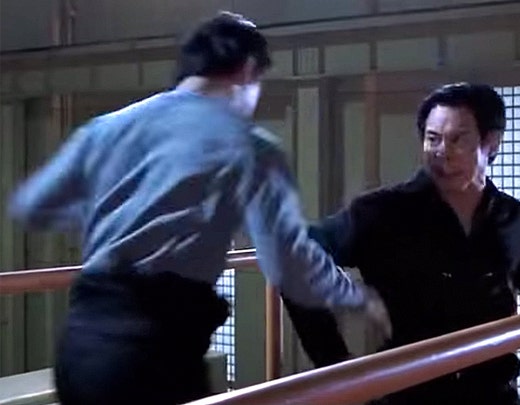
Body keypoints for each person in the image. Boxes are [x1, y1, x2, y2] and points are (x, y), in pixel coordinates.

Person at [8, 12, 389, 405]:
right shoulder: (248, 144)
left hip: (81, 343)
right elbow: (289, 262)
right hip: (155, 353)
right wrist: (357, 297)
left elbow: (34, 206)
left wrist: (118, 214)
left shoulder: (108, 127)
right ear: (248, 70)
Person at [282, 82, 520, 404]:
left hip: (493, 390)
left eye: (458, 140)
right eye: (433, 138)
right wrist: (335, 364)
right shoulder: (383, 211)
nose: (443, 152)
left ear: (491, 143)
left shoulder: (509, 215)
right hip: (410, 393)